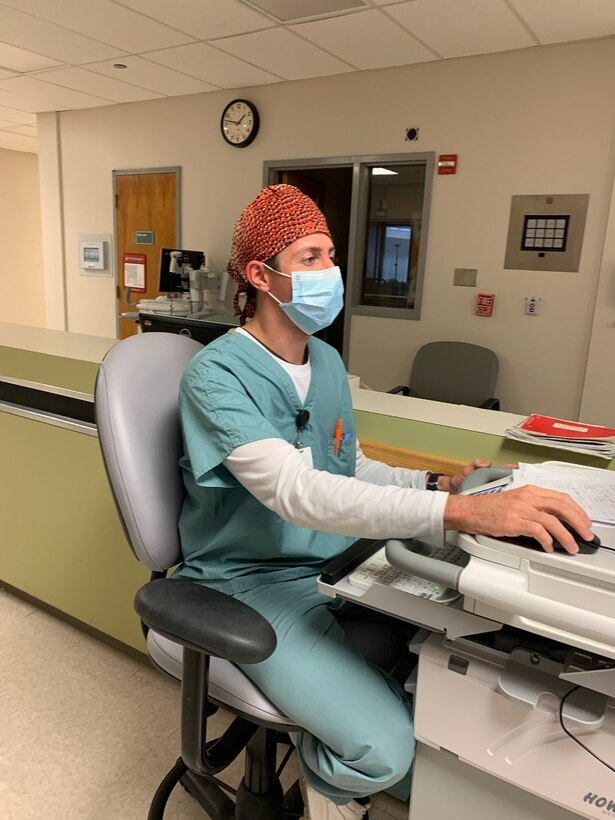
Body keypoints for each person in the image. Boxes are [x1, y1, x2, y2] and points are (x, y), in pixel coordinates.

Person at [175, 184, 592, 819]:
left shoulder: (327, 361)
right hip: (248, 582)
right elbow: (295, 490)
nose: (330, 273)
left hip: (335, 566)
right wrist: (456, 514)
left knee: (461, 668)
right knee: (386, 752)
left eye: (331, 256)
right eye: (310, 257)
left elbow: (348, 464)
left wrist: (437, 486)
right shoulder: (217, 375)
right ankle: (329, 784)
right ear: (262, 275)